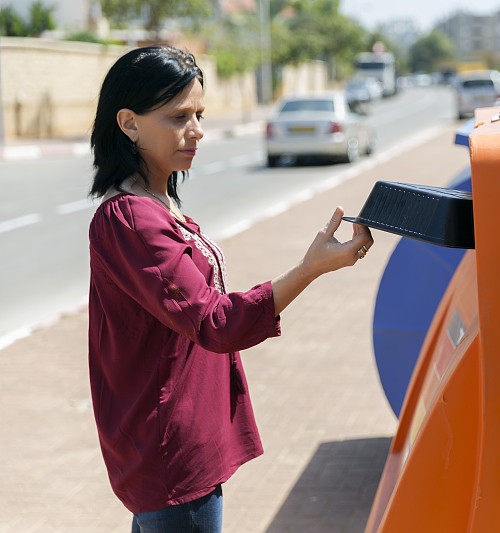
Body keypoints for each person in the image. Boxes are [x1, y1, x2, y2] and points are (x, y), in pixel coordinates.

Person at [87, 46, 373, 532]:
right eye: (178, 117)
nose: (196, 131)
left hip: (175, 444)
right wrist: (310, 269)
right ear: (129, 124)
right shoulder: (133, 219)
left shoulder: (157, 202)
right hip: (169, 456)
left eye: (199, 114)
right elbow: (215, 322)